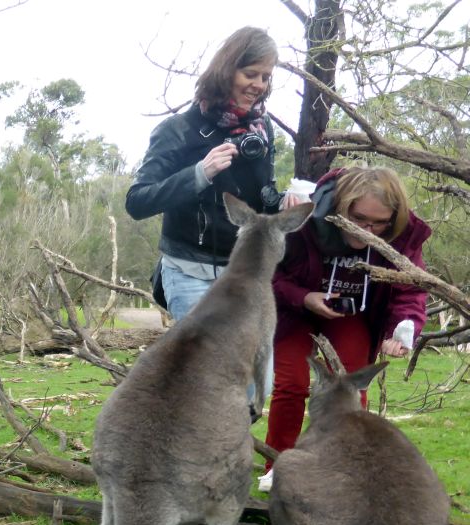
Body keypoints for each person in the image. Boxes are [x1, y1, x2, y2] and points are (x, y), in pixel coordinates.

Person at [259, 166, 431, 490]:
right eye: (361, 219)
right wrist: (304, 297)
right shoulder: (304, 219)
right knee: (292, 383)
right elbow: (268, 271)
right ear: (341, 207)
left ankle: (343, 470)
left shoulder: (403, 235)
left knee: (351, 385)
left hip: (352, 315)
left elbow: (410, 287)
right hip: (295, 310)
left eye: (380, 223)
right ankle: (278, 466)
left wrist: (403, 328)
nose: (370, 229)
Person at [126, 26, 298, 321]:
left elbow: (259, 200)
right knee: (205, 368)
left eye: (265, 77)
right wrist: (199, 174)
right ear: (227, 70)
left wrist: (281, 203)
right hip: (190, 274)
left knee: (257, 368)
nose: (258, 84)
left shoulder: (261, 128)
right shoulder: (179, 129)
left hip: (249, 271)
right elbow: (137, 201)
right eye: (250, 74)